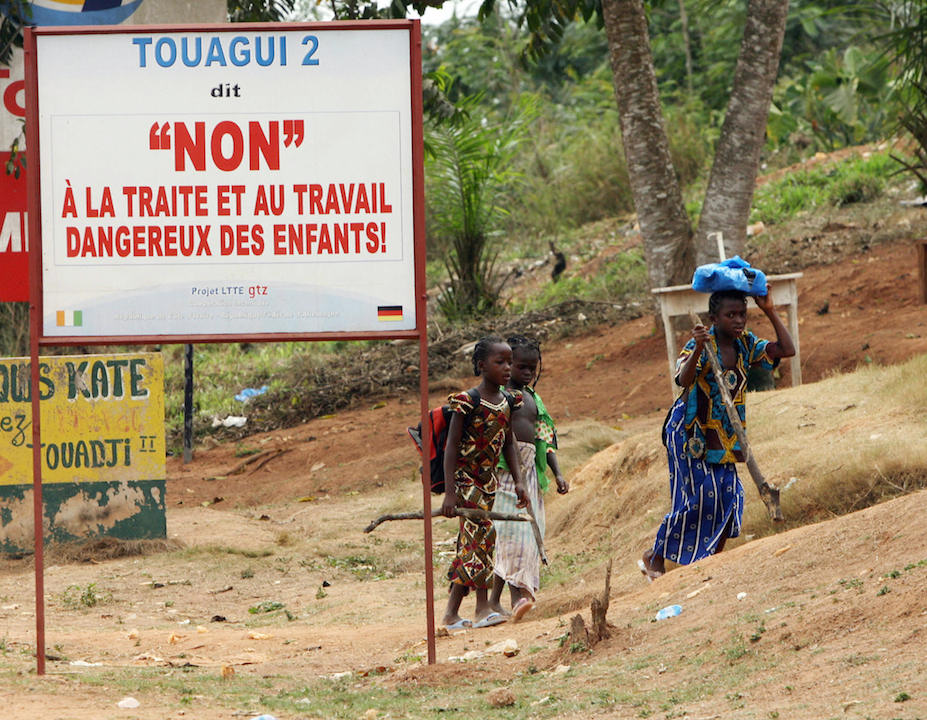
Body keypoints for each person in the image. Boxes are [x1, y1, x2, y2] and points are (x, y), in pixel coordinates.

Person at [639, 290, 795, 580]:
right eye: (730, 315)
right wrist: (699, 348)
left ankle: (709, 562)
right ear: (714, 318)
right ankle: (655, 556)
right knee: (697, 499)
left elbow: (786, 350)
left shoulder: (746, 343)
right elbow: (682, 380)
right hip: (690, 433)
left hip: (725, 435)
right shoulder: (699, 343)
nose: (738, 320)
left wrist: (770, 310)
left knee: (729, 498)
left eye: (742, 314)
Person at [441, 336, 528, 630]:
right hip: (466, 480)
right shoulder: (467, 402)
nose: (507, 368)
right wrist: (450, 494)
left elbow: (508, 443)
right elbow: (451, 448)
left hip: (487, 481)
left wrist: (519, 482)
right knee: (482, 538)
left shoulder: (508, 401)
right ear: (481, 366)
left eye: (509, 362)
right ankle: (482, 608)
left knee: (472, 544)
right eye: (499, 362)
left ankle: (451, 615)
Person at [489, 335, 569, 622]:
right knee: (512, 534)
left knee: (528, 536)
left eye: (531, 368)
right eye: (521, 366)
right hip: (507, 471)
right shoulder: (501, 397)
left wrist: (557, 473)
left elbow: (545, 441)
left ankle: (495, 600)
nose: (526, 373)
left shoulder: (535, 400)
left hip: (531, 473)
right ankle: (517, 597)